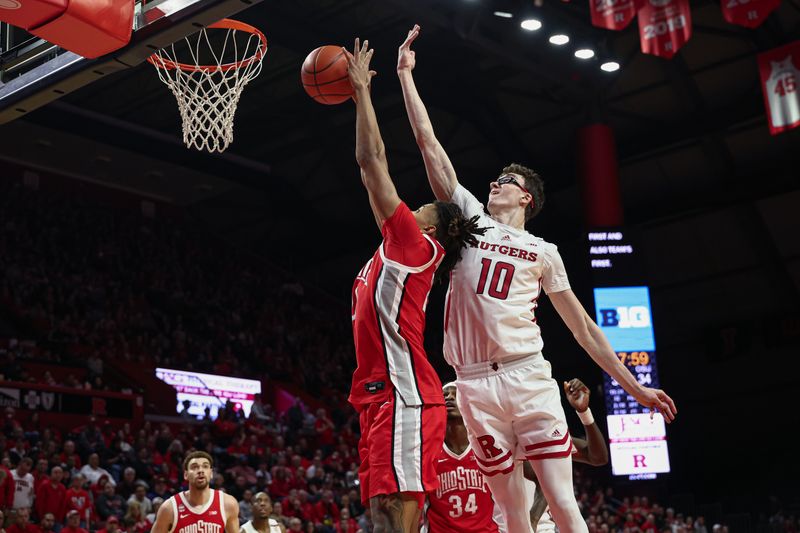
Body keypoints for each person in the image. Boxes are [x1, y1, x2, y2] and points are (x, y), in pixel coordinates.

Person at [396, 24, 677, 533]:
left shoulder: (544, 251)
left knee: (561, 502)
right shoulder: (471, 218)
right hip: (474, 383)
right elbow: (429, 145)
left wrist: (635, 388)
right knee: (508, 512)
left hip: (527, 375)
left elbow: (585, 330)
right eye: (495, 179)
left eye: (506, 181)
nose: (494, 183)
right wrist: (406, 78)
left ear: (526, 197)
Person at [345, 38, 486, 533]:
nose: (416, 203)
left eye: (425, 205)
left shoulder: (416, 244)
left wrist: (362, 92)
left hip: (406, 392)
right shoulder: (398, 243)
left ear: (435, 226)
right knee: (381, 513)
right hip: (381, 392)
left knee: (396, 514)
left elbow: (372, 161)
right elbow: (370, 179)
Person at [526, 379, 609, 532]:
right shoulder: (497, 436)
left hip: (542, 528)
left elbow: (598, 457)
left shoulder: (544, 436)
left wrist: (584, 412)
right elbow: (541, 476)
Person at [423, 383, 499, 533]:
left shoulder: (486, 447)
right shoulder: (427, 450)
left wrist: (533, 519)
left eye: (455, 395)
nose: (449, 398)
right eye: (444, 395)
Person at [151, 451, 239, 533]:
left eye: (205, 466)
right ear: (186, 475)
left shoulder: (228, 503)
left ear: (211, 473)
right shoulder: (169, 508)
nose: (200, 470)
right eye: (194, 467)